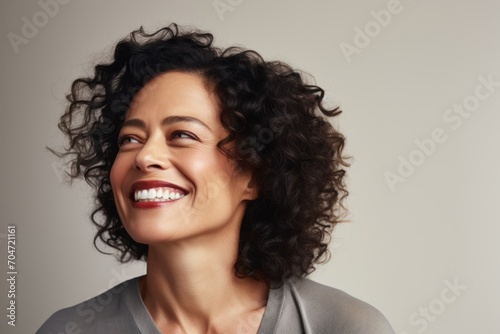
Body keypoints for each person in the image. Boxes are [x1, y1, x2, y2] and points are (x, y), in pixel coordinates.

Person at [37, 23, 394, 334]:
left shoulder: (345, 327)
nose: (144, 156)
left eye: (182, 135)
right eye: (129, 139)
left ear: (254, 176)